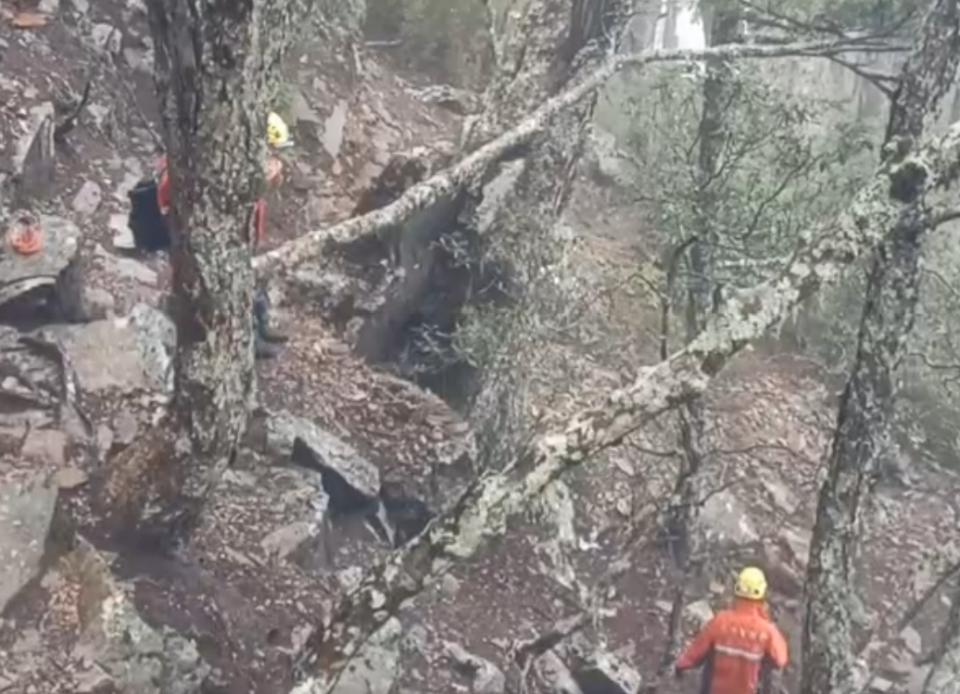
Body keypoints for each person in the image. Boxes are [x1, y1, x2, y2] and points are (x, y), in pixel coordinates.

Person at [675, 567, 789, 694]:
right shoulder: (768, 631)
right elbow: (780, 659)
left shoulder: (720, 621)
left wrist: (681, 665)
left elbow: (696, 651)